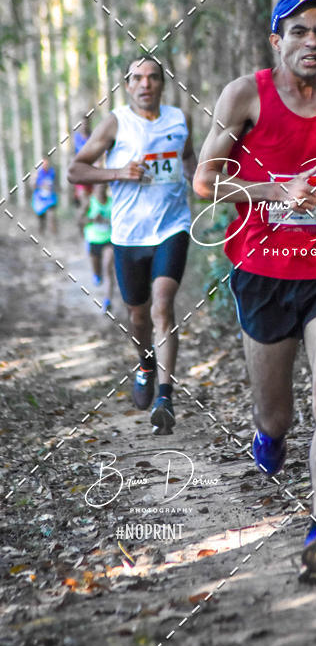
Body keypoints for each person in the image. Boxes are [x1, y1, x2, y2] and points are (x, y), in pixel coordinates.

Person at [193, 0, 316, 583]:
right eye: (299, 32)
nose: (312, 42)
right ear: (277, 40)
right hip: (263, 271)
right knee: (277, 418)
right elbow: (204, 183)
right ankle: (267, 438)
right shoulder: (246, 95)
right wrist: (273, 194)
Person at [68, 57, 196, 435]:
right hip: (127, 235)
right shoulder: (115, 123)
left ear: (162, 84)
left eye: (153, 78)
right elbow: (76, 169)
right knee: (138, 317)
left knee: (162, 306)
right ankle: (145, 363)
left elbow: (188, 158)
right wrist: (117, 172)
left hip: (172, 227)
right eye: (138, 78)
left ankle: (165, 398)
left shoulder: (178, 120)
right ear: (127, 85)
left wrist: (200, 178)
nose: (146, 84)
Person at [80, 183, 114, 313]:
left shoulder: (112, 202)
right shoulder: (89, 202)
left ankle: (107, 301)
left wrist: (109, 221)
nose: (100, 189)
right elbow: (80, 220)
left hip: (109, 240)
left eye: (103, 187)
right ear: (94, 188)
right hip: (93, 240)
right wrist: (91, 219)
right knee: (98, 273)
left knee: (108, 269)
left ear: (106, 188)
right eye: (97, 187)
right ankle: (96, 274)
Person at [32, 157, 58, 234]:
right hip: (40, 199)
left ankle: (54, 234)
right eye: (44, 164)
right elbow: (33, 185)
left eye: (47, 164)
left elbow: (55, 184)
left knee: (51, 216)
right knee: (41, 217)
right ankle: (41, 232)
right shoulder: (37, 173)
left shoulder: (52, 172)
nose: (46, 165)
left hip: (50, 198)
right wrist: (41, 185)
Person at [73, 116, 93, 209]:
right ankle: (80, 221)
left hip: (92, 171)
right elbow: (72, 155)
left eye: (86, 123)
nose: (84, 125)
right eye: (82, 123)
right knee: (83, 200)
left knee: (91, 199)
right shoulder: (76, 138)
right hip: (80, 171)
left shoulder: (93, 136)